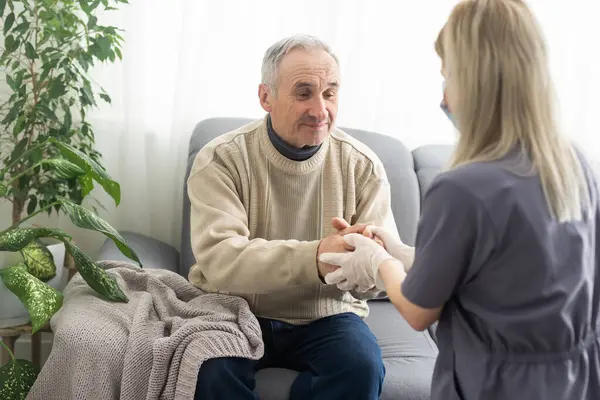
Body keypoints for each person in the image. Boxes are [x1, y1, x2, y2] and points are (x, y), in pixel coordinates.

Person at [320, 0, 600, 399]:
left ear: (476, 82)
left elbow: (419, 311)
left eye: (448, 76)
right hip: (577, 380)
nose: (444, 97)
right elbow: (500, 278)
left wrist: (379, 263)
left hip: (497, 384)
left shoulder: (462, 187)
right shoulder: (576, 165)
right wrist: (401, 251)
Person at [187, 34, 400, 399]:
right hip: (236, 308)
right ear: (265, 97)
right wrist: (317, 256)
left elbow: (381, 279)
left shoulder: (363, 166)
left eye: (330, 93)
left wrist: (366, 262)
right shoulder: (220, 159)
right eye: (304, 93)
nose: (320, 111)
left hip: (326, 314)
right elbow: (221, 260)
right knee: (209, 370)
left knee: (361, 367)